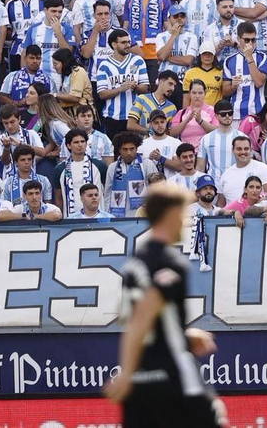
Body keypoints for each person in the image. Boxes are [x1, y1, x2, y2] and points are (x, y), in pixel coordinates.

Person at [104, 183, 222, 428]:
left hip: (141, 382)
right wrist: (124, 372)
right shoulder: (169, 262)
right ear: (171, 214)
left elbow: (136, 320)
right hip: (174, 378)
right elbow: (142, 317)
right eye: (184, 214)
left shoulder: (135, 263)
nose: (187, 221)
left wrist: (184, 335)